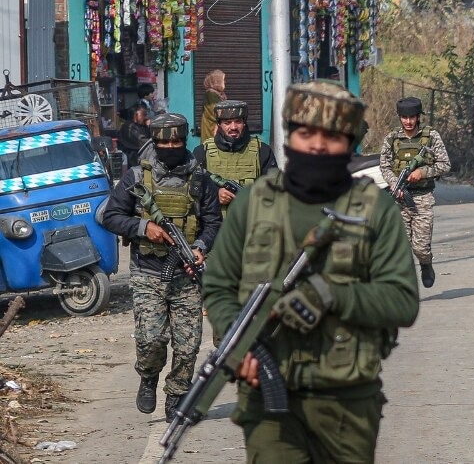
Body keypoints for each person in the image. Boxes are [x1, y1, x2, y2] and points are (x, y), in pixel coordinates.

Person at [203, 80, 420, 462]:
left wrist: (331, 295)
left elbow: (402, 301)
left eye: (331, 136)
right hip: (266, 401)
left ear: (349, 141)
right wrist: (238, 345)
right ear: (290, 136)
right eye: (306, 133)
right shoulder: (253, 202)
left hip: (346, 400)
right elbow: (219, 286)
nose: (317, 145)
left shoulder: (374, 209)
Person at [101, 112, 222, 419]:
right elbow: (110, 216)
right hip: (147, 271)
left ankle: (177, 396)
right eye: (164, 142)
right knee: (151, 338)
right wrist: (144, 228)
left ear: (185, 141)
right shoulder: (136, 177)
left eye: (177, 141)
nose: (171, 146)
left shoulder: (200, 178)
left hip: (186, 275)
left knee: (188, 344)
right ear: (155, 143)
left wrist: (201, 248)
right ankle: (148, 376)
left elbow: (213, 222)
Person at [378, 97, 451, 289]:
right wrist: (395, 184)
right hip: (399, 199)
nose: (408, 121)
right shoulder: (392, 139)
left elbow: (445, 165)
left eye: (412, 117)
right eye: (404, 117)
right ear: (399, 117)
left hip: (423, 198)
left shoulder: (431, 136)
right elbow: (384, 166)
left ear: (418, 117)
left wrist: (423, 172)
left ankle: (426, 265)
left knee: (420, 248)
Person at [192, 100, 276, 214]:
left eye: (238, 121)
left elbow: (274, 190)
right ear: (219, 124)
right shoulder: (202, 152)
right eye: (227, 122)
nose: (233, 127)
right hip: (214, 225)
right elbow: (192, 190)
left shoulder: (262, 151)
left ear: (244, 122)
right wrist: (215, 194)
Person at [200, 69, 226, 141]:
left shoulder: (218, 94)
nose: (225, 82)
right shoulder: (211, 94)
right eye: (223, 80)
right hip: (211, 129)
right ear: (217, 81)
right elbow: (215, 112)